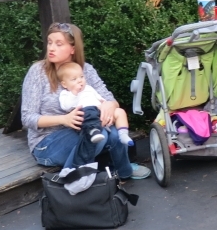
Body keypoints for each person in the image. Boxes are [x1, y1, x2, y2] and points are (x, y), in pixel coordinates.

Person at [21, 22, 150, 179]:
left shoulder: (85, 69)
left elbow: (110, 98)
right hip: (46, 142)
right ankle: (71, 179)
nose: (51, 48)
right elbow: (27, 117)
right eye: (50, 42)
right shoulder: (38, 72)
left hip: (82, 131)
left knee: (114, 133)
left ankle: (124, 171)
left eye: (58, 44)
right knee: (96, 134)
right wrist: (64, 119)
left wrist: (109, 106)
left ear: (73, 49)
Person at [57, 60, 133, 151]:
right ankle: (93, 131)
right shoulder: (66, 94)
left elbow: (99, 98)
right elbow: (66, 106)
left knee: (120, 111)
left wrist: (104, 104)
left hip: (99, 111)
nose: (79, 81)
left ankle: (123, 133)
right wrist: (74, 93)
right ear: (64, 84)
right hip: (86, 113)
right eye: (74, 79)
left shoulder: (89, 88)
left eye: (81, 77)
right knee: (89, 112)